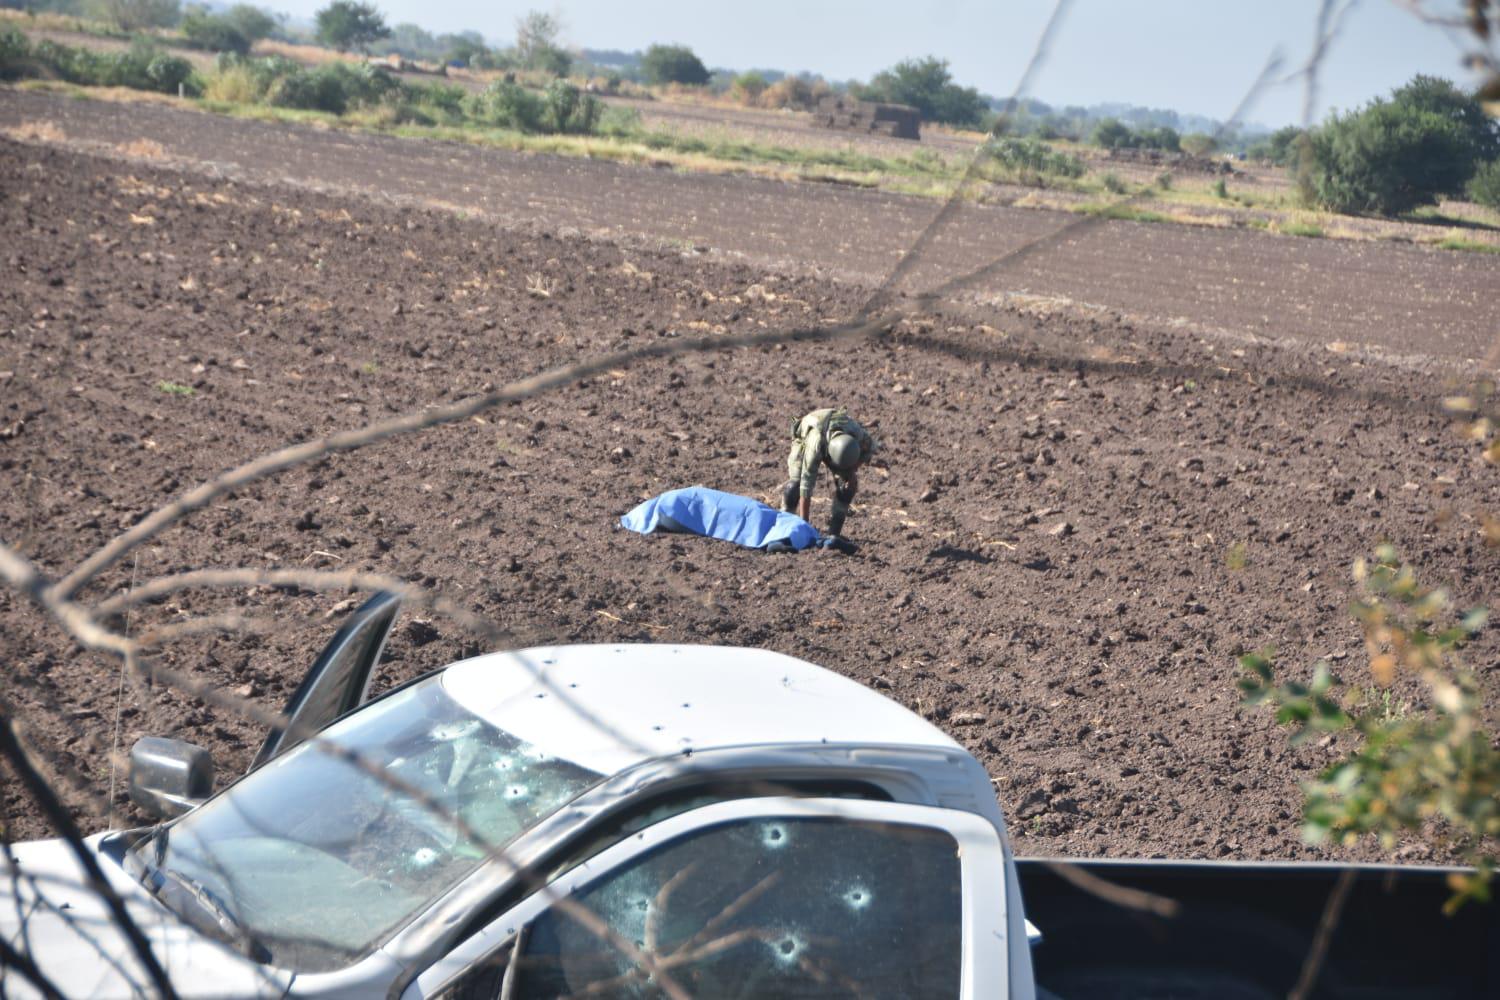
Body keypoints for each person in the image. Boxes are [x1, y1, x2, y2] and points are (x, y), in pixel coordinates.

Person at [780, 407, 876, 541]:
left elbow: (870, 449)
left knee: (846, 488)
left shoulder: (857, 433)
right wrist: (805, 527)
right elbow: (805, 486)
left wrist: (852, 471)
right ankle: (784, 527)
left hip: (833, 440)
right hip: (808, 436)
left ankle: (834, 533)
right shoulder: (815, 445)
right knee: (794, 487)